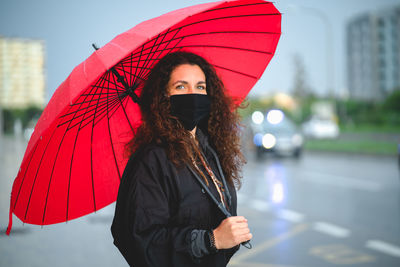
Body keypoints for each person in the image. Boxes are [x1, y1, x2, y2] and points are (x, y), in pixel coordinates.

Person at [111, 51, 251, 267]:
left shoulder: (209, 152)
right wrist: (211, 240)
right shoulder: (151, 159)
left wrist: (231, 236)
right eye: (181, 86)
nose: (192, 94)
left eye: (200, 87)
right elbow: (141, 240)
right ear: (163, 97)